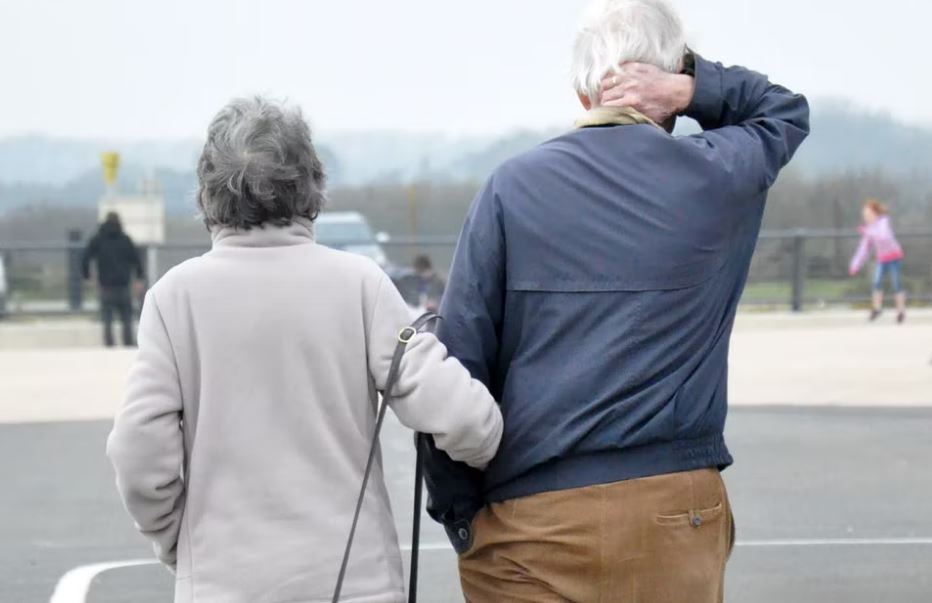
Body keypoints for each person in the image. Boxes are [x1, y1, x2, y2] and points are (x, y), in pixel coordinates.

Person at [431, 1, 810, 601]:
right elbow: (782, 110)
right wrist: (692, 86)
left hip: (531, 518)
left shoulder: (511, 186)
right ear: (665, 87)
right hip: (675, 513)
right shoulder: (717, 176)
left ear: (584, 93)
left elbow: (458, 361)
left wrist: (460, 512)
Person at [105, 97, 503, 603]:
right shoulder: (360, 284)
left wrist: (177, 543)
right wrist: (492, 449)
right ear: (311, 182)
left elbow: (137, 454)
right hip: (355, 583)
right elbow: (465, 418)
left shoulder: (173, 298)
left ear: (208, 190)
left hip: (223, 584)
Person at [81, 211, 145, 347]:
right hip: (123, 284)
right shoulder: (125, 240)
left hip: (105, 285)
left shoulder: (97, 239)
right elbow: (137, 260)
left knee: (107, 317)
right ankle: (128, 344)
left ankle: (109, 344)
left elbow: (85, 258)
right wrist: (139, 278)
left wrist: (88, 276)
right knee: (127, 317)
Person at [849, 199, 906, 323]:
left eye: (869, 215)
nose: (867, 218)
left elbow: (883, 236)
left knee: (896, 283)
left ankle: (900, 311)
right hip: (882, 258)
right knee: (876, 282)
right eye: (865, 216)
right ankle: (877, 308)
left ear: (876, 214)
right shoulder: (869, 230)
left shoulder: (883, 222)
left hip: (894, 256)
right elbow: (863, 249)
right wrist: (855, 264)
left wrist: (868, 231)